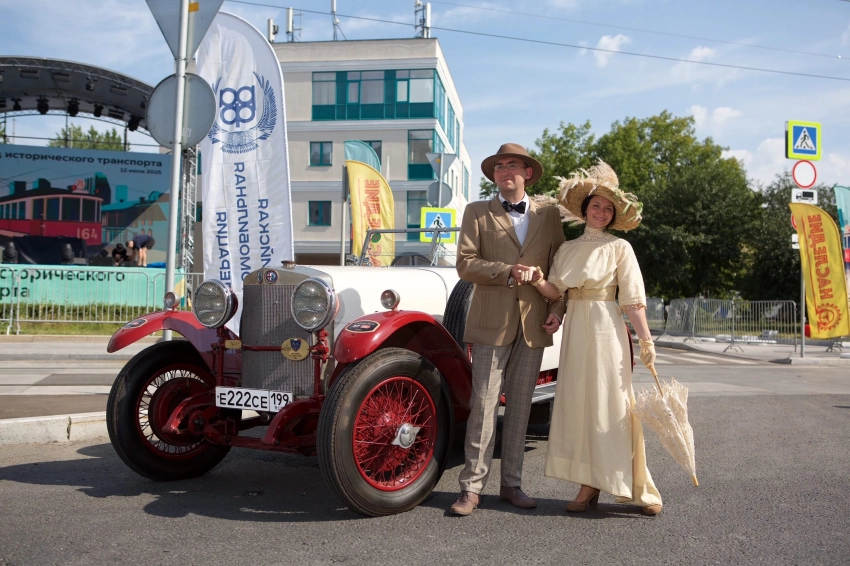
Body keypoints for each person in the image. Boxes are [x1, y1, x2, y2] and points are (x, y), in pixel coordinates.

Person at [531, 160, 663, 516]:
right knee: (580, 406)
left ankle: (640, 487)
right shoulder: (566, 250)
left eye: (608, 208)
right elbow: (557, 292)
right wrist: (551, 308)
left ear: (614, 215)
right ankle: (588, 485)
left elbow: (633, 299)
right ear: (584, 209)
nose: (602, 212)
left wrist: (646, 340)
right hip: (575, 333)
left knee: (613, 406)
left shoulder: (620, 248)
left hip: (607, 328)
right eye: (596, 205)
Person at [449, 143, 567, 516]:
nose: (503, 172)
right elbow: (465, 264)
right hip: (489, 323)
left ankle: (512, 484)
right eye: (498, 167)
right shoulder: (476, 212)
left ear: (527, 173)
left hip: (533, 325)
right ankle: (470, 488)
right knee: (482, 406)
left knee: (519, 408)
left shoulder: (549, 216)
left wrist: (558, 309)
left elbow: (560, 269)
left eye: (511, 166)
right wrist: (506, 272)